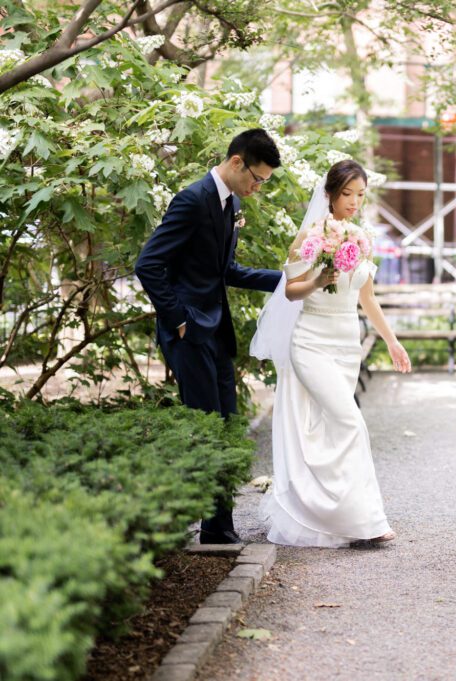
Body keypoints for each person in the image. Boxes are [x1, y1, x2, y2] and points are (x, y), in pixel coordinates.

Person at [251, 160, 412, 548]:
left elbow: (367, 297)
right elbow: (290, 290)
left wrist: (391, 341)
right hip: (310, 340)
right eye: (347, 194)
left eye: (360, 194)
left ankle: (335, 512)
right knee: (350, 422)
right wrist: (319, 280)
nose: (354, 202)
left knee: (332, 428)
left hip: (345, 343)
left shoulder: (361, 237)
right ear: (330, 194)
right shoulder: (310, 235)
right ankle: (368, 520)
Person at [135, 128, 283, 544]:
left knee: (227, 424)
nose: (258, 187)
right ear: (237, 162)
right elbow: (148, 264)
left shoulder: (230, 203)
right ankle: (201, 524)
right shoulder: (193, 199)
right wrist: (178, 318)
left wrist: (290, 280)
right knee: (206, 426)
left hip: (215, 332)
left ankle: (220, 527)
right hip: (189, 333)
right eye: (257, 178)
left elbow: (228, 272)